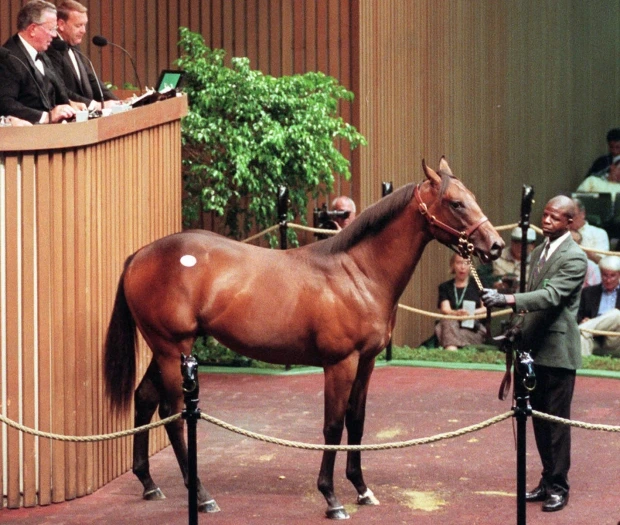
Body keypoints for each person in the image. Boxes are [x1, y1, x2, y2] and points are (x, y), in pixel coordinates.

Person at [481, 195, 587, 513]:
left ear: (570, 222)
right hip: (533, 350)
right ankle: (546, 479)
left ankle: (559, 486)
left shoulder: (575, 257)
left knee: (556, 423)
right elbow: (533, 304)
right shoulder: (540, 251)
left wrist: (507, 299)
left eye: (555, 217)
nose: (547, 220)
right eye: (545, 215)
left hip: (557, 353)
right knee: (537, 420)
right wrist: (515, 329)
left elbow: (551, 297)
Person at [0, 0, 78, 124]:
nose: (54, 35)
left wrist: (69, 105)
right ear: (32, 29)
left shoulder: (41, 53)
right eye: (51, 29)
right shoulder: (9, 58)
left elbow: (54, 92)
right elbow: (5, 103)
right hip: (28, 136)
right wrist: (45, 116)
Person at [46, 1, 119, 111]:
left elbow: (91, 79)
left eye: (84, 25)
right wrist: (94, 105)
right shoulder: (51, 48)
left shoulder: (73, 44)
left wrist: (118, 102)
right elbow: (60, 89)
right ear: (61, 24)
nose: (84, 31)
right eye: (78, 25)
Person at [435, 253, 487, 350]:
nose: (462, 267)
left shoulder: (479, 284)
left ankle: (450, 351)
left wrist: (469, 313)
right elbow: (445, 310)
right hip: (451, 325)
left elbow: (485, 308)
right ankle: (452, 349)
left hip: (473, 329)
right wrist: (457, 313)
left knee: (441, 329)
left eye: (466, 263)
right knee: (447, 320)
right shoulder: (445, 287)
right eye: (459, 263)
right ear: (453, 265)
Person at [577, 255, 620, 357]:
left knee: (617, 314)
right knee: (582, 337)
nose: (608, 280)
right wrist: (582, 320)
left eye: (612, 275)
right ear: (600, 274)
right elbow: (578, 315)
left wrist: (589, 325)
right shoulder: (588, 292)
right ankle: (583, 371)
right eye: (605, 275)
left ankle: (581, 328)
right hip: (594, 336)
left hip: (615, 337)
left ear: (619, 275)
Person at [489, 226, 536, 293]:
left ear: (532, 245)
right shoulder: (496, 256)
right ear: (511, 241)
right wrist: (494, 284)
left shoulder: (537, 262)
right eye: (516, 242)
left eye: (524, 243)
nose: (520, 246)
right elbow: (482, 278)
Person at [569, 197, 610, 263]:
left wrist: (580, 245)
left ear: (583, 214)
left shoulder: (599, 233)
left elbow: (602, 262)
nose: (569, 219)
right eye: (566, 216)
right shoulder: (559, 232)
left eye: (572, 215)